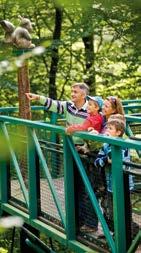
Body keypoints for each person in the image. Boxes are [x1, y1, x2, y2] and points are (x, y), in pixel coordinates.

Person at [26, 83, 98, 232]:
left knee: (87, 188)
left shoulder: (91, 109)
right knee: (72, 186)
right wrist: (37, 97)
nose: (72, 94)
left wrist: (86, 144)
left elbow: (98, 127)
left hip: (86, 153)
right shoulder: (69, 106)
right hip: (71, 149)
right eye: (72, 91)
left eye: (75, 92)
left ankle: (91, 224)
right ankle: (76, 222)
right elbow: (53, 104)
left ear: (83, 95)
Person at [94, 114, 134, 233]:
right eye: (107, 128)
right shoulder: (106, 144)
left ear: (118, 132)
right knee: (111, 212)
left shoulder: (123, 144)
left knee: (125, 212)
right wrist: (105, 160)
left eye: (110, 129)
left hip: (124, 185)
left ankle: (128, 237)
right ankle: (117, 235)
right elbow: (97, 162)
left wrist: (106, 159)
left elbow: (116, 160)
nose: (106, 131)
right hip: (110, 185)